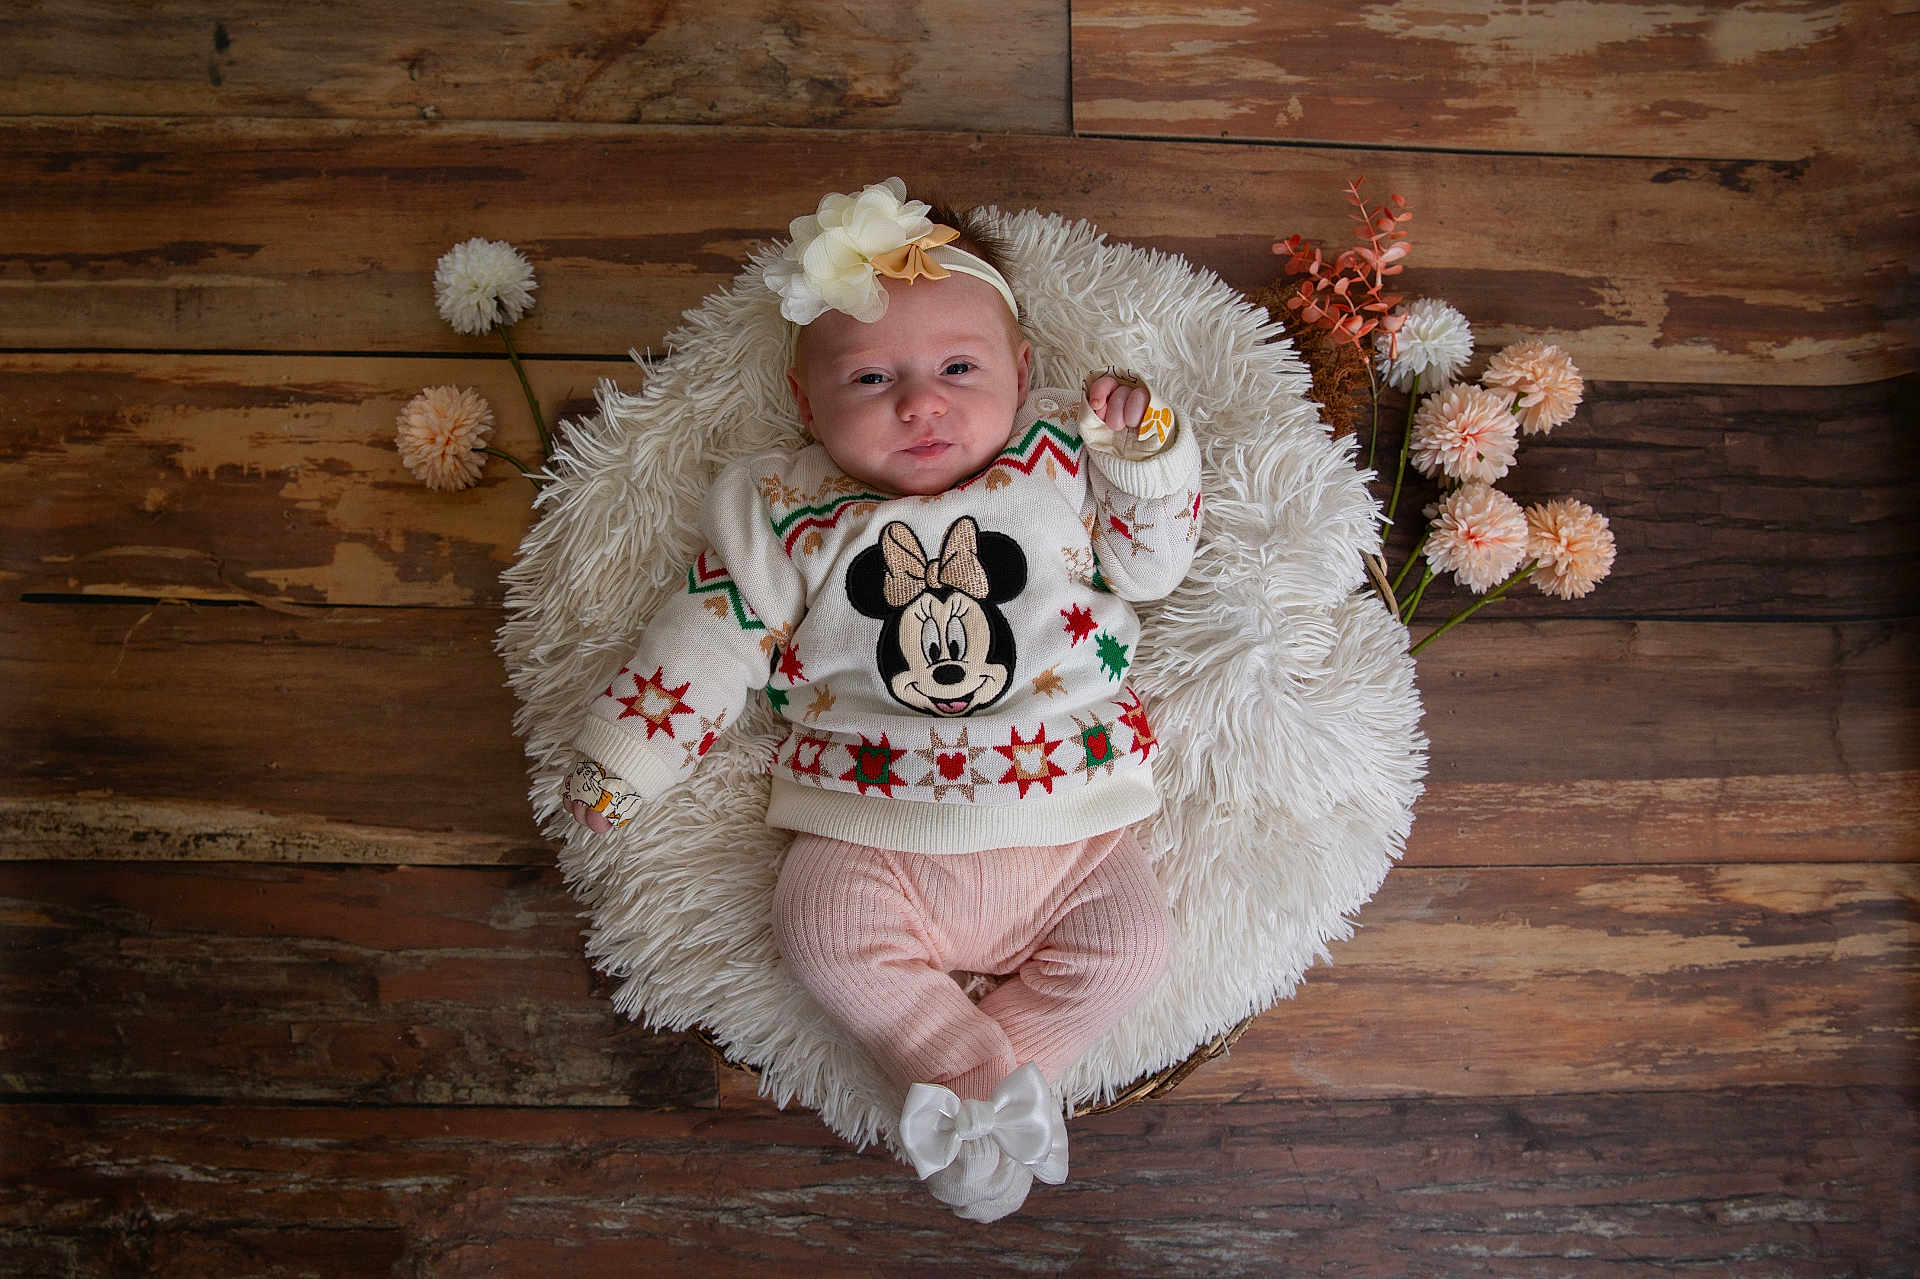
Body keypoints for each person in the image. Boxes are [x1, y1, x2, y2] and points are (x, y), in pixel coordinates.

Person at [562, 178, 1203, 1221]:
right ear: (807, 403)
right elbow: (711, 633)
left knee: (1131, 949)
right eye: (870, 376)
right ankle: (959, 1066)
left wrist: (1142, 456)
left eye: (959, 367)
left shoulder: (1056, 459)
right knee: (816, 929)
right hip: (870, 826)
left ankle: (991, 1091)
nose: (920, 401)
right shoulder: (786, 505)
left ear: (1023, 371)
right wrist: (631, 751)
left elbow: (1154, 567)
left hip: (1072, 829)